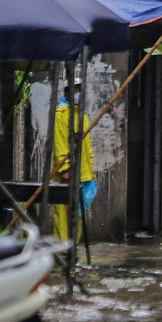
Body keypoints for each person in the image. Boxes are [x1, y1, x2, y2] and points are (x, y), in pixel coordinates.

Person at [53, 78, 97, 241]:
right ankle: (61, 247)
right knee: (63, 211)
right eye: (75, 89)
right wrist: (65, 169)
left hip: (83, 170)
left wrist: (90, 167)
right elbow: (60, 143)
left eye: (79, 89)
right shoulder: (62, 113)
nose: (77, 93)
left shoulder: (81, 114)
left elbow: (87, 144)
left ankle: (73, 246)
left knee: (77, 212)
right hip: (69, 171)